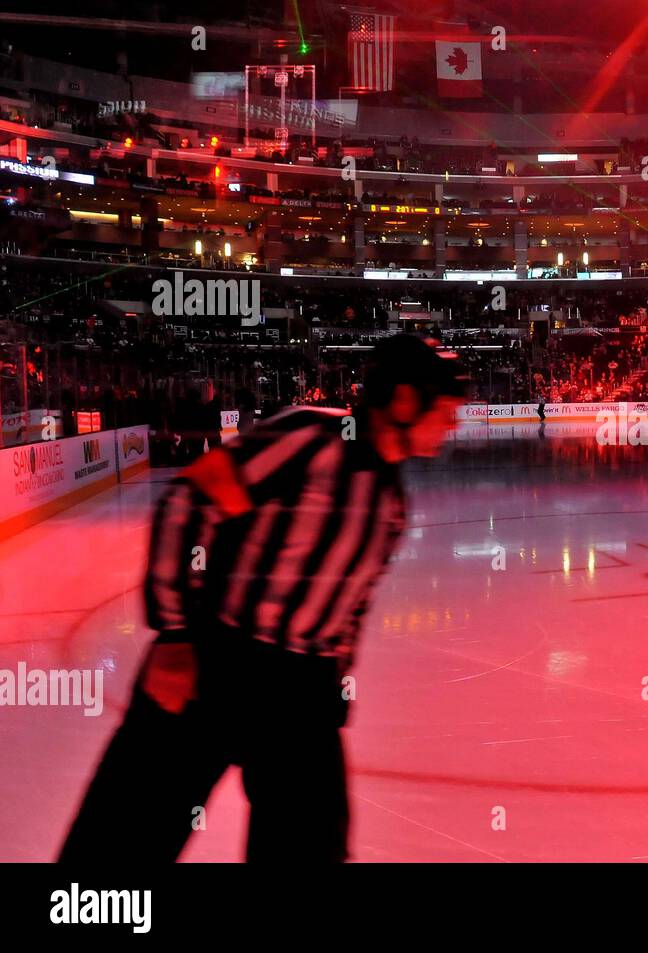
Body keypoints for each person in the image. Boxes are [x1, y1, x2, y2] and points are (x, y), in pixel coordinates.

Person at [59, 335, 467, 863]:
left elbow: (351, 607)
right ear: (406, 401)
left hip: (300, 695)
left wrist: (336, 679)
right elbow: (192, 500)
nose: (453, 424)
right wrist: (175, 634)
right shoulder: (313, 441)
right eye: (447, 410)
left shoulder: (389, 502)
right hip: (216, 662)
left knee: (307, 847)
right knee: (122, 839)